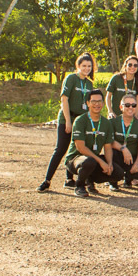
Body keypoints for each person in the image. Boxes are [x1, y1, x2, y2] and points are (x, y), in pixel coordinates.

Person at [40, 52, 98, 191]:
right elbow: (64, 100)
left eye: (89, 66)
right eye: (83, 66)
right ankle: (47, 180)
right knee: (60, 149)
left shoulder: (89, 84)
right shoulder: (71, 78)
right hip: (68, 117)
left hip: (81, 120)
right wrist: (67, 121)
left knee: (76, 149)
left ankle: (69, 179)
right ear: (78, 66)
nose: (86, 69)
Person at [63, 89, 116, 198]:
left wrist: (109, 163)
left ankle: (90, 179)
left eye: (99, 101)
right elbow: (81, 148)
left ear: (103, 103)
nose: (97, 104)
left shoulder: (106, 123)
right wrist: (101, 162)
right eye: (93, 101)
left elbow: (108, 147)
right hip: (75, 159)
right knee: (89, 162)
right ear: (88, 103)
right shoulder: (80, 120)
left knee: (117, 172)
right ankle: (79, 185)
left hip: (92, 159)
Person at [111, 96, 138, 190]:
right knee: (112, 154)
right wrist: (123, 149)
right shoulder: (113, 122)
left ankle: (128, 180)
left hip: (132, 156)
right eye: (127, 105)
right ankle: (113, 182)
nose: (130, 107)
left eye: (133, 105)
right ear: (121, 107)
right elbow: (109, 141)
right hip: (117, 155)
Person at [105, 55, 138, 120]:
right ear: (125, 66)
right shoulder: (116, 78)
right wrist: (110, 112)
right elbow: (108, 97)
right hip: (115, 116)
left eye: (135, 65)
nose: (132, 67)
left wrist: (135, 116)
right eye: (130, 65)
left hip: (130, 117)